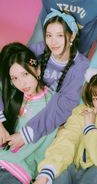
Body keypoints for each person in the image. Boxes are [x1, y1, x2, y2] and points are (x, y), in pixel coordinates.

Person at [1, 9, 89, 150]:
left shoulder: (80, 67)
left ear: (71, 36)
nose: (53, 42)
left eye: (60, 35)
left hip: (49, 120)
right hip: (25, 108)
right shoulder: (38, 50)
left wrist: (26, 134)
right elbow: (9, 74)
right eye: (49, 35)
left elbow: (63, 106)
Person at [0, 43, 57, 184]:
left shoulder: (52, 104)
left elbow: (49, 150)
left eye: (25, 74)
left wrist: (40, 179)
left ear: (38, 69)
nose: (21, 82)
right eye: (14, 77)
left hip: (15, 175)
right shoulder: (13, 93)